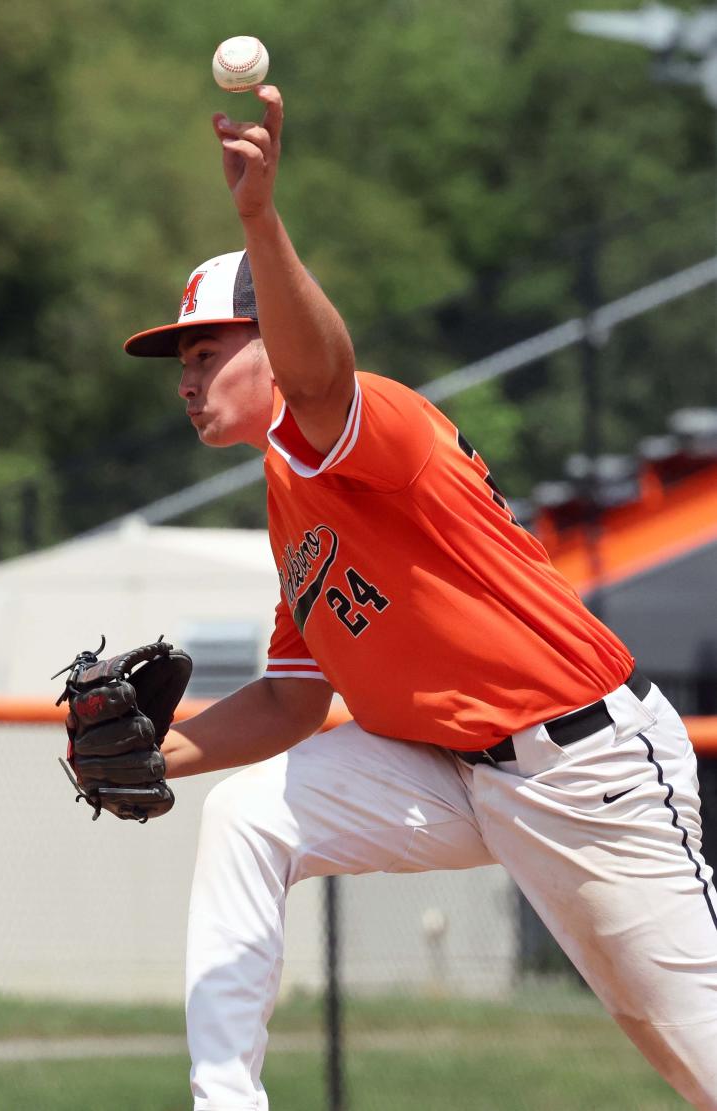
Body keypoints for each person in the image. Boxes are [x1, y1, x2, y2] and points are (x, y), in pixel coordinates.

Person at [121, 85, 717, 1110]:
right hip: (450, 773)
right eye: (184, 358)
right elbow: (292, 702)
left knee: (701, 1064)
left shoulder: (370, 426)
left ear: (271, 344)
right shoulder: (287, 498)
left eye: (209, 350)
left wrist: (260, 219)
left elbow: (324, 377)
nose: (188, 375)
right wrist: (145, 752)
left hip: (586, 771)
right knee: (247, 819)